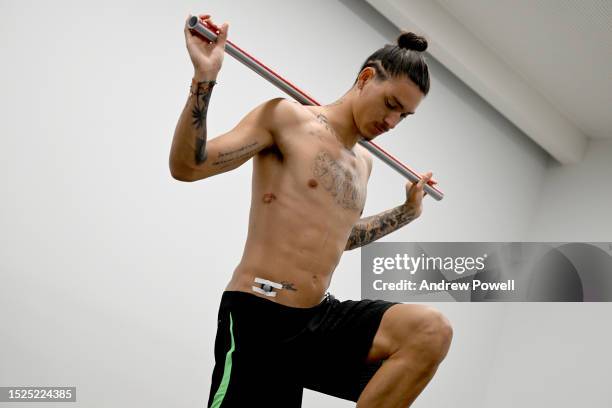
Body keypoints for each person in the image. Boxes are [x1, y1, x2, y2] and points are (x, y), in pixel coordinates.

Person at [170, 14, 453, 408]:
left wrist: (405, 213)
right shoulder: (286, 119)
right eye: (391, 104)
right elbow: (188, 167)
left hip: (316, 320)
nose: (392, 122)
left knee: (429, 331)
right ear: (366, 78)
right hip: (259, 317)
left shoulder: (362, 165)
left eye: (403, 116)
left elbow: (341, 237)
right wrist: (205, 79)